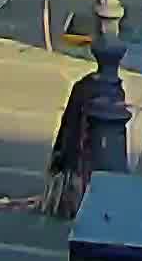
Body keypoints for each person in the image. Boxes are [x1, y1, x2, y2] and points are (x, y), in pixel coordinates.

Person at [44, 65, 102, 218]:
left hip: (74, 152)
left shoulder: (82, 88)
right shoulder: (87, 89)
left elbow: (68, 126)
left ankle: (68, 199)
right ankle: (72, 199)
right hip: (81, 155)